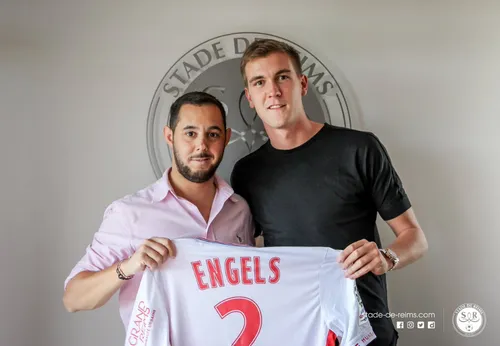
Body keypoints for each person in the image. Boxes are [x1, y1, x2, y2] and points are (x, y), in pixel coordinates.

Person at [230, 39, 428, 346]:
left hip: (365, 334)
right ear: (250, 98)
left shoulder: (359, 149)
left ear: (302, 83)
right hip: (291, 333)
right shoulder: (246, 173)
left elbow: (415, 238)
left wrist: (386, 257)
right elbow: (248, 254)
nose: (273, 91)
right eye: (260, 82)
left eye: (282, 77)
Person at [63, 91, 255, 329]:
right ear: (169, 136)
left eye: (212, 134)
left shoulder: (239, 211)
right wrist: (129, 267)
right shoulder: (129, 214)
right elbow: (73, 298)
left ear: (226, 138)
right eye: (190, 133)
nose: (201, 146)